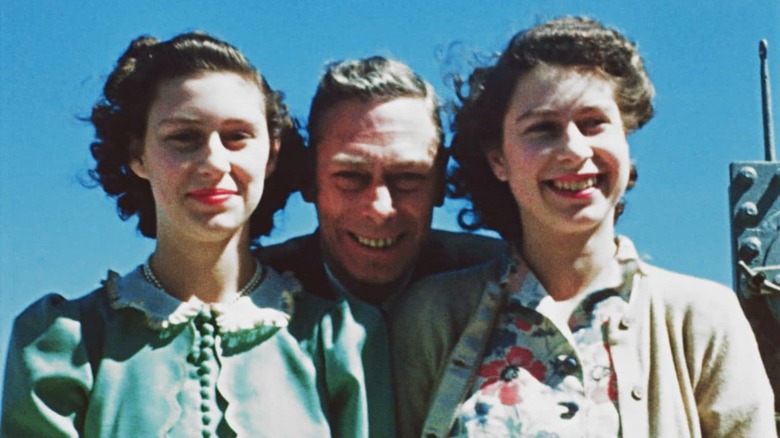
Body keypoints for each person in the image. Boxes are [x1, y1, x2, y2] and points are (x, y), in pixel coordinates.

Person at [391, 17, 776, 437]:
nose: (574, 149)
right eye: (542, 129)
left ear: (625, 141)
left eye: (593, 123)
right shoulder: (433, 318)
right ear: (498, 160)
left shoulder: (702, 318)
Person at [2, 32, 364, 437]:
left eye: (237, 136)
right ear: (137, 154)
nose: (213, 162)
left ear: (272, 153)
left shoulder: (336, 338)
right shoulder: (66, 341)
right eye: (184, 137)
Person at [259, 56, 505, 436]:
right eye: (350, 177)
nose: (378, 209)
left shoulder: (504, 286)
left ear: (441, 181)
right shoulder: (248, 298)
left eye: (407, 178)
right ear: (309, 180)